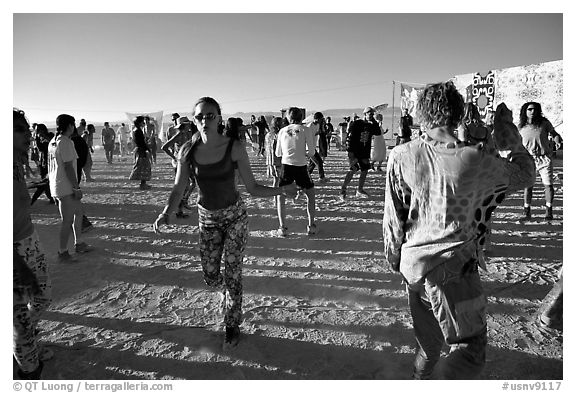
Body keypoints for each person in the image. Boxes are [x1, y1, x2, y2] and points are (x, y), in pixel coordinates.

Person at [382, 81, 535, 379]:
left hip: (414, 266)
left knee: (429, 346)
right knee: (469, 352)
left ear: (422, 113)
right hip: (454, 269)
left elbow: (394, 216)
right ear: (458, 113)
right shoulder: (475, 159)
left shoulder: (401, 154)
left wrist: (395, 258)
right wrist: (510, 139)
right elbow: (526, 174)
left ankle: (420, 379)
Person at [153, 97, 296, 349]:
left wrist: (281, 191)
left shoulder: (234, 148)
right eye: (200, 117)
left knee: (232, 272)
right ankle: (225, 292)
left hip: (235, 218)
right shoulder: (187, 150)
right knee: (210, 275)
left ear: (219, 117)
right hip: (206, 218)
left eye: (210, 115)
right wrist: (167, 211)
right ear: (193, 120)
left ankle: (232, 323)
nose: (204, 120)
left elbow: (252, 187)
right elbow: (178, 187)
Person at [13, 108, 53, 380]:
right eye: (19, 129)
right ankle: (28, 372)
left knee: (42, 296)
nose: (28, 133)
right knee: (19, 320)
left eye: (26, 128)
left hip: (29, 239)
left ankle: (26, 344)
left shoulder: (15, 162)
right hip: (12, 250)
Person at [48, 114, 94, 262]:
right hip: (65, 186)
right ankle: (63, 252)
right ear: (69, 126)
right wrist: (76, 187)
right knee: (67, 220)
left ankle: (79, 243)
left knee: (79, 212)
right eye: (72, 124)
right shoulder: (65, 142)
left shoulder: (53, 141)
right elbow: (68, 166)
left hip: (58, 185)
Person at [275, 107, 318, 236]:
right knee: (310, 194)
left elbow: (278, 153)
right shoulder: (306, 129)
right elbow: (311, 152)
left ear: (288, 117)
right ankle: (311, 225)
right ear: (301, 117)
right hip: (301, 166)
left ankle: (283, 227)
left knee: (281, 196)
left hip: (286, 165)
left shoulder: (282, 131)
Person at [517, 102, 563, 221]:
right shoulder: (521, 126)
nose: (533, 111)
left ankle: (549, 210)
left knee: (548, 185)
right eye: (530, 109)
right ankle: (526, 211)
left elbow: (554, 134)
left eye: (535, 109)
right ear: (525, 111)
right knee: (528, 186)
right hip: (528, 159)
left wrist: (558, 141)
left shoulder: (544, 123)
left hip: (544, 158)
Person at [339, 106, 382, 201]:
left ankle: (360, 189)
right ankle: (343, 189)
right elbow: (350, 137)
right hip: (355, 151)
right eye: (369, 114)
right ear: (365, 114)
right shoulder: (357, 123)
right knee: (353, 169)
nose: (371, 116)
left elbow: (378, 132)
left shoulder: (371, 125)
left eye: (372, 114)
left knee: (365, 170)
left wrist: (375, 121)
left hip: (364, 152)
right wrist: (350, 152)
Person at [161, 116, 196, 218]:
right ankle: (179, 209)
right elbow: (165, 147)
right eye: (187, 124)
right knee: (183, 185)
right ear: (183, 126)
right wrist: (175, 157)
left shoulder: (189, 134)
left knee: (192, 183)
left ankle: (184, 201)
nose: (189, 125)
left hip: (187, 161)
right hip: (180, 163)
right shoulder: (179, 136)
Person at [70, 126, 94, 233]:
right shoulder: (77, 140)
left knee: (72, 199)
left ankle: (82, 223)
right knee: (72, 199)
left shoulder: (72, 142)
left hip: (72, 174)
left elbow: (78, 160)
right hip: (75, 173)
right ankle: (81, 223)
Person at [32, 124, 55, 204]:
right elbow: (40, 149)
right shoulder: (38, 138)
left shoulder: (50, 135)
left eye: (39, 130)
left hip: (50, 162)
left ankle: (32, 200)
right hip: (43, 162)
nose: (38, 132)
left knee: (45, 183)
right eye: (37, 130)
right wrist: (37, 138)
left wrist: (44, 136)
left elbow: (53, 144)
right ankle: (51, 198)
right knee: (44, 183)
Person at [129, 116, 152, 190]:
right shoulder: (138, 131)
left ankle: (143, 183)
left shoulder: (135, 130)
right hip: (141, 150)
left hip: (139, 149)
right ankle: (143, 184)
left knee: (142, 166)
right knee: (144, 166)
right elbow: (141, 142)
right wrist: (147, 149)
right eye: (142, 122)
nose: (144, 123)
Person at [306, 112, 328, 183]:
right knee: (319, 162)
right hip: (309, 148)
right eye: (321, 119)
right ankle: (321, 177)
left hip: (313, 147)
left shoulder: (318, 125)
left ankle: (306, 175)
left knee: (312, 164)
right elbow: (306, 138)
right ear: (317, 119)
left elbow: (320, 132)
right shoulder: (309, 126)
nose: (322, 120)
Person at [264, 116, 283, 186]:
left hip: (270, 161)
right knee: (279, 180)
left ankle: (275, 196)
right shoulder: (279, 135)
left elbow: (266, 148)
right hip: (278, 160)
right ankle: (277, 196)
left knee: (276, 180)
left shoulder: (268, 135)